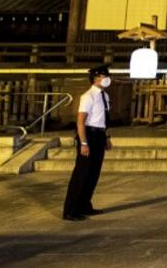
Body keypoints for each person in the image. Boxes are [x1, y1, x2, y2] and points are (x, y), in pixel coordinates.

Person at [62, 65, 113, 221]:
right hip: (88, 135)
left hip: (99, 135)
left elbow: (104, 118)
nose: (106, 79)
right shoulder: (88, 96)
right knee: (81, 173)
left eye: (107, 76)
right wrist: (83, 143)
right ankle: (70, 209)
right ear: (96, 79)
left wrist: (107, 137)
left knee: (93, 173)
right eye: (103, 76)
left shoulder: (105, 96)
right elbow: (80, 122)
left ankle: (85, 205)